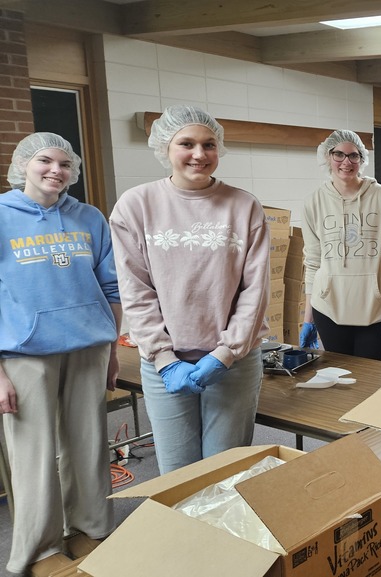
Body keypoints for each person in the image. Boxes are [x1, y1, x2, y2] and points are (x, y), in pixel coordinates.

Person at [110, 105, 270, 475]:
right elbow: (135, 289)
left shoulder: (244, 206)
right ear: (165, 147)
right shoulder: (136, 206)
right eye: (187, 144)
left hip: (234, 361)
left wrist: (226, 353)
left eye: (209, 145)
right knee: (178, 473)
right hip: (166, 363)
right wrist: (165, 360)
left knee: (226, 471)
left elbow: (255, 290)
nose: (199, 155)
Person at [0, 133, 121, 574]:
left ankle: (90, 528)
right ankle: (41, 548)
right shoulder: (1, 216)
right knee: (32, 454)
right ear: (23, 166)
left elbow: (111, 288)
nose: (56, 170)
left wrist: (111, 350)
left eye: (66, 164)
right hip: (24, 353)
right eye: (45, 161)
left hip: (88, 346)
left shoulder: (89, 218)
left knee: (88, 445)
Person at [299, 130, 381, 360]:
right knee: (338, 381)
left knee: (370, 382)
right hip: (328, 309)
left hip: (374, 310)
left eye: (353, 156)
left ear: (362, 159)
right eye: (339, 154)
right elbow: (312, 262)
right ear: (328, 157)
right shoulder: (313, 202)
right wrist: (308, 319)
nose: (346, 162)